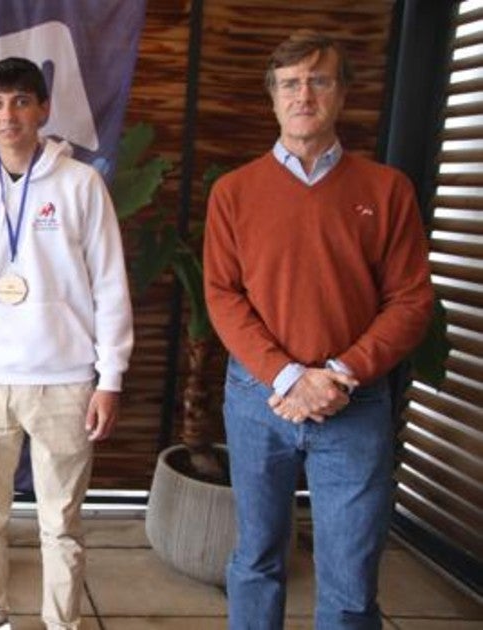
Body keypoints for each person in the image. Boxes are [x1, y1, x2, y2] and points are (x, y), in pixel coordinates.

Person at [203, 30, 434, 630]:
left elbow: (411, 301)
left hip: (353, 403)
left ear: (342, 93)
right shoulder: (234, 193)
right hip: (259, 399)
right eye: (290, 83)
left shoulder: (387, 191)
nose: (303, 94)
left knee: (352, 579)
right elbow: (223, 297)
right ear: (273, 99)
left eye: (319, 80)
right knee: (256, 559)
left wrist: (338, 375)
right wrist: (287, 376)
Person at [0, 57, 134, 630]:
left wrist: (109, 377)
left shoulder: (81, 185)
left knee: (60, 523)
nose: (8, 114)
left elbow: (111, 284)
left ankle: (61, 623)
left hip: (64, 381)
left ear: (43, 108)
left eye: (21, 100)